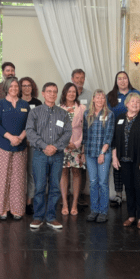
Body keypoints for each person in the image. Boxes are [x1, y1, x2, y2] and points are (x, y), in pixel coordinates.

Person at [26, 83, 72, 230]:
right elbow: (30, 132)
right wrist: (45, 146)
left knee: (54, 187)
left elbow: (67, 132)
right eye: (49, 91)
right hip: (40, 154)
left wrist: (55, 147)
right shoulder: (35, 112)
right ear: (43, 94)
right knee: (39, 187)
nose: (52, 94)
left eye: (55, 92)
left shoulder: (63, 113)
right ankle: (38, 217)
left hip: (57, 155)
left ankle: (51, 217)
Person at [111, 93, 140, 229]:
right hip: (124, 161)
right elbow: (114, 140)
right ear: (126, 104)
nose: (135, 104)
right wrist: (114, 157)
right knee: (129, 188)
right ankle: (131, 216)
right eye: (132, 102)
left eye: (138, 102)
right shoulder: (119, 118)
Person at [0, 77, 30, 220]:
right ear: (6, 88)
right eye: (11, 86)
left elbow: (29, 125)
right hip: (3, 145)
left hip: (20, 145)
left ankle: (17, 209)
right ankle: (2, 209)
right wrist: (11, 137)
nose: (14, 89)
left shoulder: (25, 104)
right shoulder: (0, 104)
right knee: (2, 178)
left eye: (16, 86)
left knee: (18, 179)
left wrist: (20, 137)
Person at [106, 71, 140, 207]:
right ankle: (118, 194)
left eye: (125, 78)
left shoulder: (136, 93)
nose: (122, 81)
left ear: (128, 80)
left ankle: (133, 195)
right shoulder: (111, 95)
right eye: (119, 79)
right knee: (118, 165)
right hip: (116, 134)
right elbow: (107, 114)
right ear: (116, 81)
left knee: (132, 164)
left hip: (133, 134)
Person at [82, 89, 115, 223]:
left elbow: (109, 135)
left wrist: (102, 153)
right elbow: (85, 135)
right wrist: (83, 153)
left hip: (104, 153)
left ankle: (103, 211)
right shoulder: (87, 114)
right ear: (93, 99)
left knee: (102, 182)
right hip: (89, 152)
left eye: (103, 98)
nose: (100, 100)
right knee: (93, 182)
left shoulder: (109, 114)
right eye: (98, 97)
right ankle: (94, 210)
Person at [59, 82, 85, 216]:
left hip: (77, 145)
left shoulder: (82, 108)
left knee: (76, 173)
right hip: (62, 146)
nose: (71, 94)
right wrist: (64, 142)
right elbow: (56, 130)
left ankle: (74, 203)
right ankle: (65, 202)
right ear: (64, 93)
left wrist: (77, 144)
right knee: (63, 173)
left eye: (73, 91)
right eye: (69, 91)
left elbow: (85, 129)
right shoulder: (58, 108)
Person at [19, 76, 42, 215]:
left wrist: (32, 138)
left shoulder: (37, 103)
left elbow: (40, 124)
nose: (27, 88)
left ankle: (29, 202)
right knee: (19, 173)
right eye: (24, 85)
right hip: (19, 142)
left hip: (33, 143)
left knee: (31, 173)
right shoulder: (18, 102)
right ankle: (18, 201)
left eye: (29, 86)